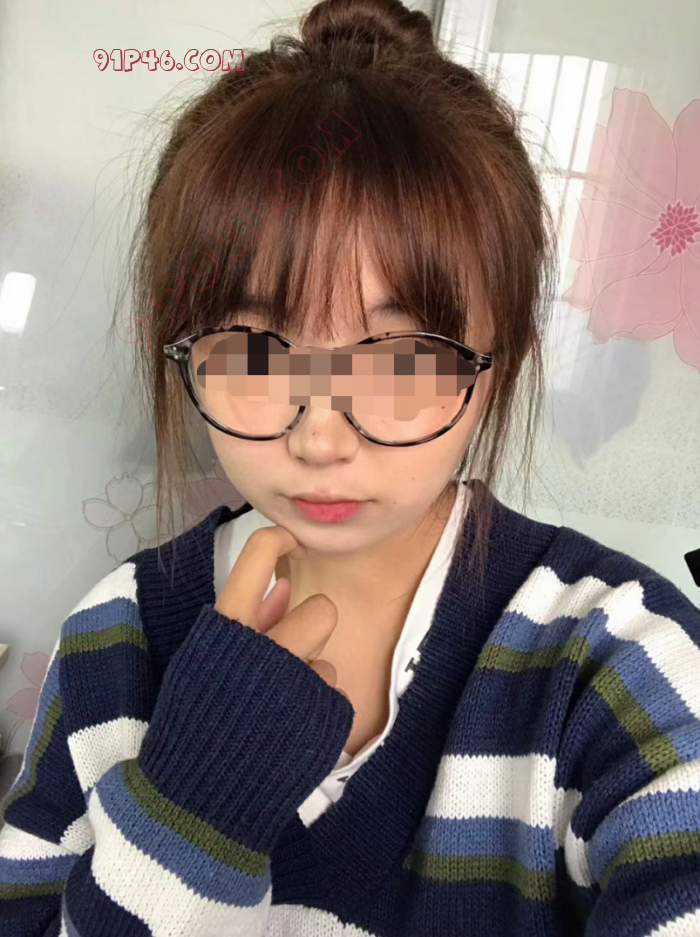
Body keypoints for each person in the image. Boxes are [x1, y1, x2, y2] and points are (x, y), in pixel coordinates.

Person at [2, 0, 699, 933]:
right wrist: (188, 812)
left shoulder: (621, 660)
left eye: (404, 359)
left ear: (501, 365)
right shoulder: (115, 638)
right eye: (255, 354)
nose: (321, 438)